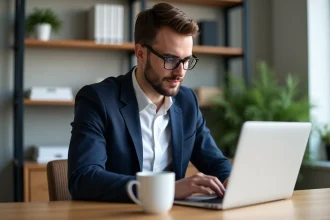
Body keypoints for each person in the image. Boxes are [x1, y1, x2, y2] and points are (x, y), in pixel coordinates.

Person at [68, 2, 232, 203]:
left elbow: (215, 161)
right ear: (141, 53)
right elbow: (83, 179)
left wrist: (230, 180)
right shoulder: (98, 99)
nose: (180, 72)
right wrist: (166, 189)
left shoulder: (187, 101)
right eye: (170, 59)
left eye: (187, 60)